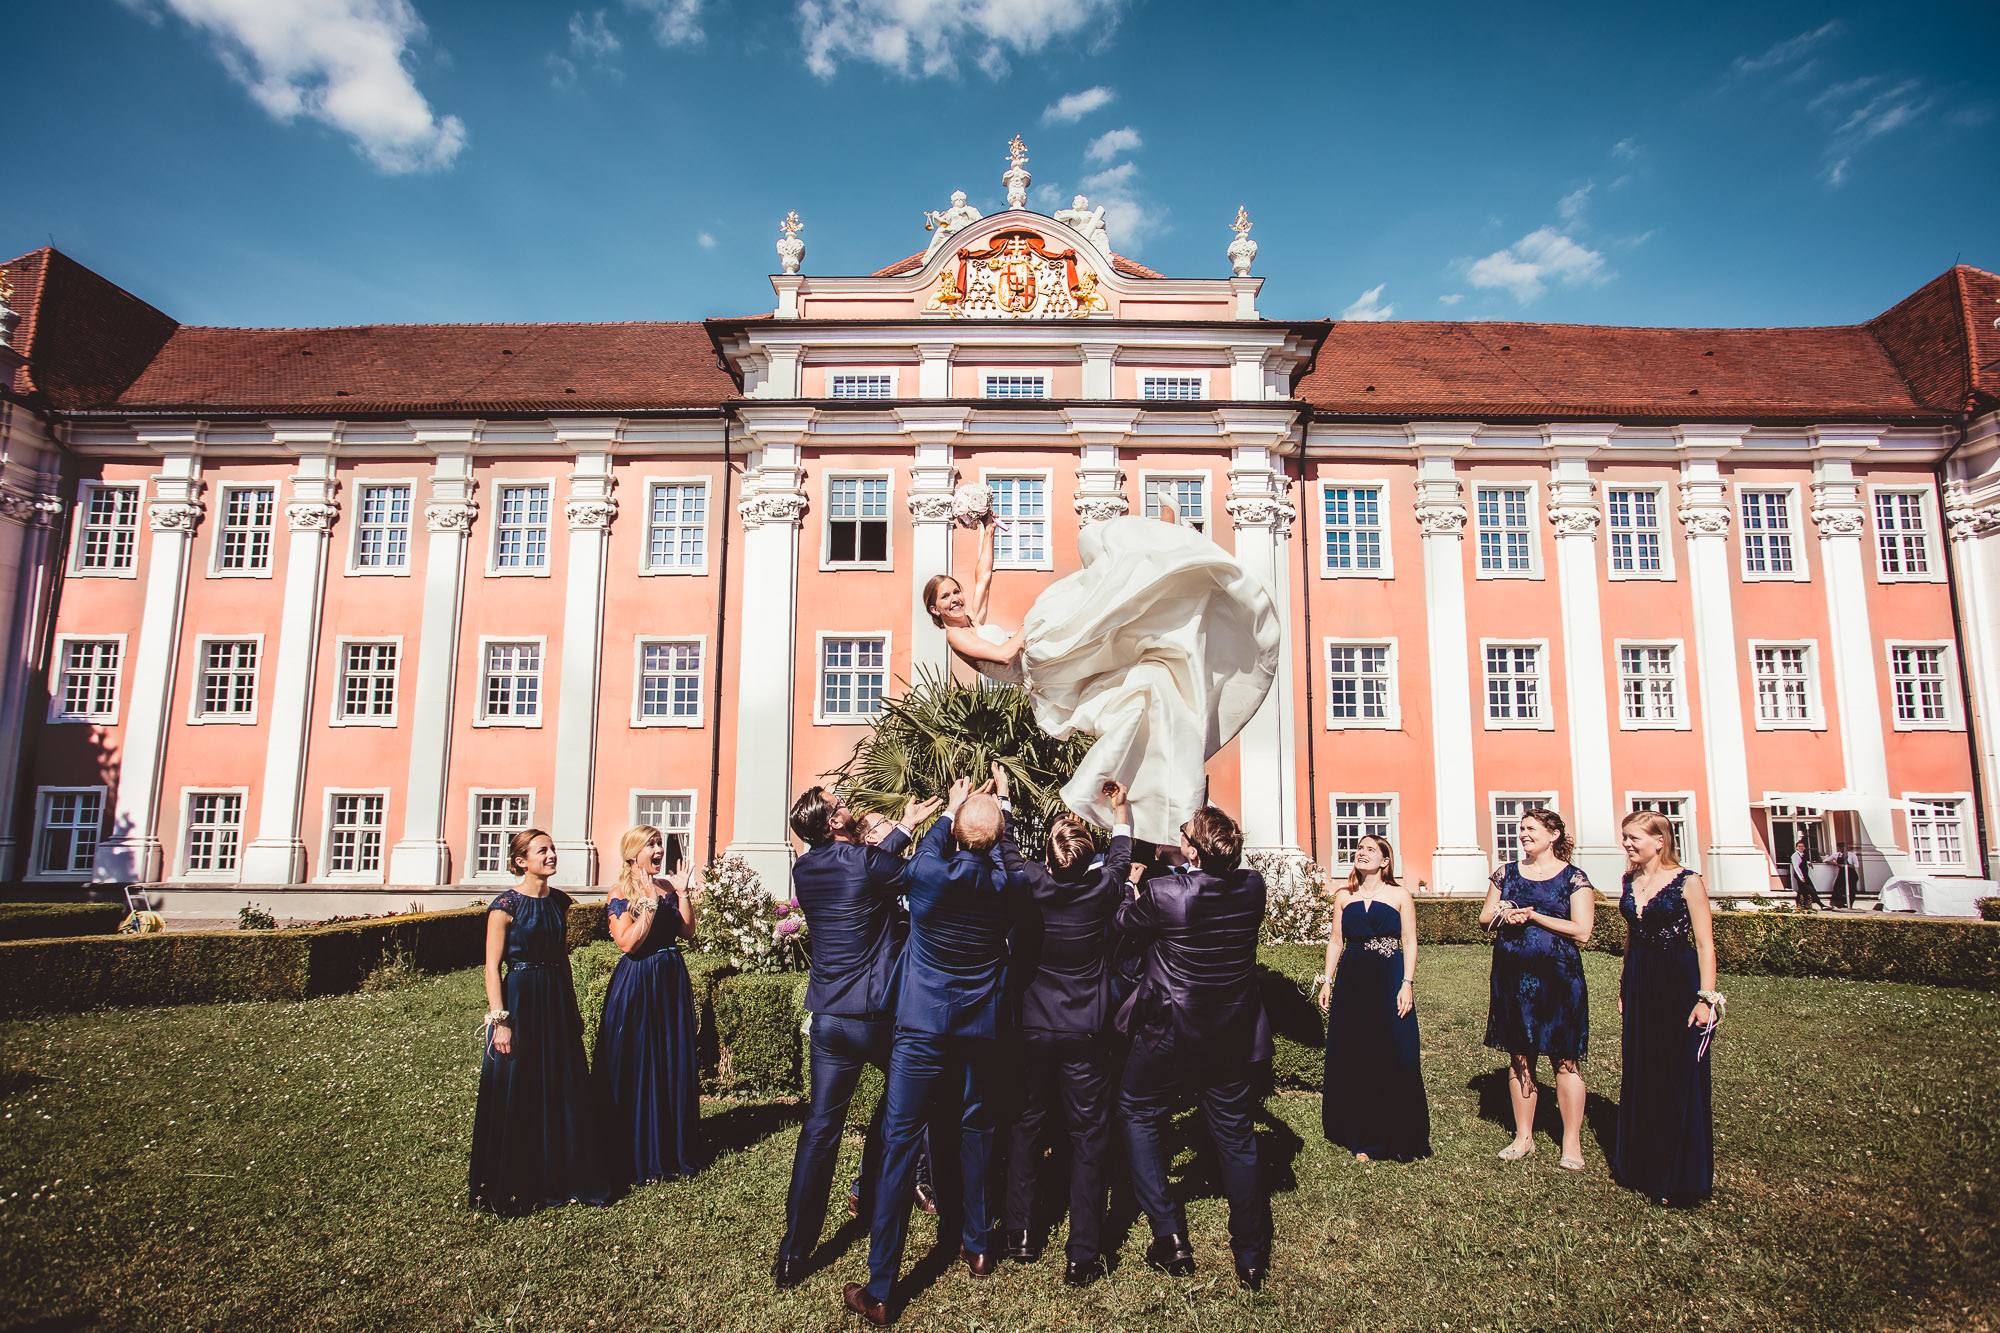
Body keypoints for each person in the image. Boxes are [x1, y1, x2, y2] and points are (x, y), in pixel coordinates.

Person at [921, 508, 1280, 845]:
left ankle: (1166, 562)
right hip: (1038, 665)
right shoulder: (956, 636)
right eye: (946, 596)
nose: (956, 598)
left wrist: (986, 530)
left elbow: (983, 575)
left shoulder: (972, 622)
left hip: (1043, 657)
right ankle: (1160, 554)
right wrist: (1027, 628)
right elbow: (1002, 653)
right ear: (934, 609)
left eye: (956, 591)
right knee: (1092, 605)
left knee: (1109, 623)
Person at [844, 776, 1021, 1327]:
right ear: (995, 840)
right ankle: (977, 1243)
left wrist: (950, 808)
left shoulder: (926, 875)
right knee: (976, 1130)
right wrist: (1001, 812)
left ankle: (880, 1287)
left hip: (922, 1026)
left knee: (899, 1143)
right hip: (978, 1026)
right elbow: (1007, 857)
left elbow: (933, 847)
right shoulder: (1007, 884)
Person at [774, 786, 937, 1291]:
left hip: (826, 1018)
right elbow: (909, 872)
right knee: (917, 1102)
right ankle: (925, 1186)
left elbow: (870, 865)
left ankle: (793, 1252)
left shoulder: (806, 868)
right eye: (837, 801)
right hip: (872, 1018)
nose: (845, 801)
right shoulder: (866, 862)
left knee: (820, 1131)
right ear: (832, 823)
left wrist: (900, 829)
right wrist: (916, 824)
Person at [1115, 803, 1273, 1291]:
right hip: (1230, 1034)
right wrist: (1184, 861)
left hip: (1170, 1032)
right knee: (1235, 1137)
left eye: (1184, 833)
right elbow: (1209, 886)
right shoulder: (1253, 887)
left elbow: (1125, 922)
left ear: (1194, 848)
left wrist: (1131, 885)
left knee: (1136, 1111)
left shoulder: (1163, 894)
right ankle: (1249, 1254)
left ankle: (1169, 1237)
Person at [995, 778, 1133, 1287]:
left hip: (1033, 1025)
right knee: (1088, 1136)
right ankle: (1083, 1251)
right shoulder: (1102, 888)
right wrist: (1120, 810)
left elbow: (1007, 850)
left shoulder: (1032, 882)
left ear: (1050, 859)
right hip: (1085, 1029)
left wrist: (1005, 801)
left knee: (1027, 1126)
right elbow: (1121, 858)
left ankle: (1021, 1234)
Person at [468, 829, 615, 1215]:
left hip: (554, 998)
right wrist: (500, 1021)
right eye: (542, 850)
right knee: (520, 1087)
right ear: (521, 861)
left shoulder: (562, 902)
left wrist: (572, 1006)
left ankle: (566, 1177)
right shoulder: (504, 906)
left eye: (552, 849)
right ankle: (517, 1180)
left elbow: (563, 958)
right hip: (519, 999)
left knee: (563, 1086)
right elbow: (491, 967)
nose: (551, 855)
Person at [1611, 811, 1718, 1205]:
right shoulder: (1628, 879)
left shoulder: (1688, 882)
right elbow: (1630, 939)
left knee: (1677, 1072)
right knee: (1643, 1070)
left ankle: (1680, 1176)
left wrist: (1706, 999)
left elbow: (1705, 945)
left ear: (1660, 840)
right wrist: (1624, 984)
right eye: (1624, 837)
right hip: (1640, 981)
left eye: (1634, 837)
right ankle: (1639, 1165)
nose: (1627, 844)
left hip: (1678, 982)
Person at [1481, 807, 1595, 1171]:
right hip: (1513, 976)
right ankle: (1523, 1136)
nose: (1523, 834)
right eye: (1521, 829)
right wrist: (1504, 914)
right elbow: (1485, 918)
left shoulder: (1574, 877)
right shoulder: (1506, 873)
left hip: (1559, 978)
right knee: (1519, 1056)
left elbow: (1582, 930)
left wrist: (1532, 915)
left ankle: (1571, 1141)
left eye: (1531, 829)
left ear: (1554, 834)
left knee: (1565, 1057)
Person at [599, 824, 702, 1188]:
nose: (659, 849)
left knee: (671, 1058)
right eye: (651, 845)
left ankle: (674, 1147)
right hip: (640, 981)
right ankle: (640, 1150)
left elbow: (687, 931)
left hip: (671, 978)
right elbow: (626, 943)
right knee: (642, 1061)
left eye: (660, 843)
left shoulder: (665, 887)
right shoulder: (619, 893)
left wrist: (683, 892)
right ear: (633, 855)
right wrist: (650, 907)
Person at [1315, 834, 1430, 1162]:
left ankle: (1398, 1133)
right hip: (1352, 981)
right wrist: (1327, 980)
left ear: (1385, 861)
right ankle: (1359, 1135)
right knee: (1356, 1053)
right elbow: (1336, 941)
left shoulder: (1399, 895)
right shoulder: (1343, 897)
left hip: (1389, 977)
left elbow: (1409, 941)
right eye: (1359, 849)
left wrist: (1407, 982)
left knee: (1394, 1049)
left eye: (1369, 849)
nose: (1361, 853)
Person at [1790, 839, 1824, 911]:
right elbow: (1796, 867)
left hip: (1805, 874)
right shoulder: (1795, 856)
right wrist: (1801, 877)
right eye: (1799, 846)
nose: (1801, 848)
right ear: (1796, 847)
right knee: (1810, 889)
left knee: (1802, 891)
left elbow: (1804, 860)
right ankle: (1820, 904)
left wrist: (1809, 862)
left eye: (1802, 846)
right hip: (1801, 875)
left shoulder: (1802, 855)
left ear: (1804, 847)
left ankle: (1802, 905)